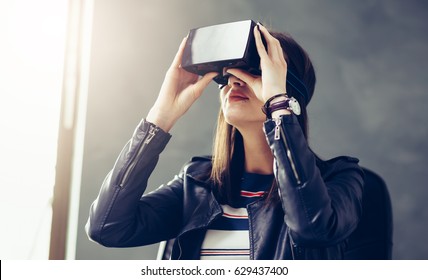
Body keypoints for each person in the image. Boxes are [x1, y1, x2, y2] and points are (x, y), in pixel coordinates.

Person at [86, 22, 364, 260]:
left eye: (255, 72)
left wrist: (277, 108)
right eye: (228, 75)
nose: (235, 82)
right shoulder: (197, 185)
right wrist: (160, 118)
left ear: (288, 96)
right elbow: (107, 227)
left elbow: (312, 228)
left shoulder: (339, 179)